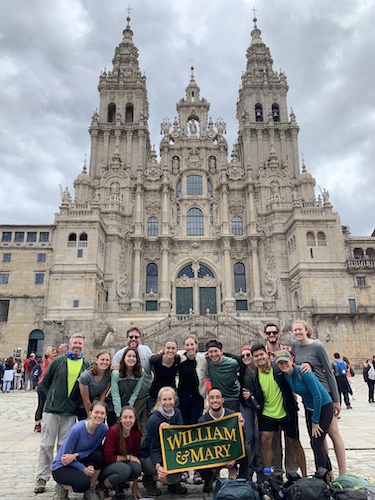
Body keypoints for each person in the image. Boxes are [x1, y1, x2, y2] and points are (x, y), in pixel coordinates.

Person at [34, 333, 91, 495]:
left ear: (83, 346)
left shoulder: (86, 365)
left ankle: (62, 478)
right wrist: (53, 397)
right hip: (52, 409)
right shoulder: (58, 361)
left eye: (80, 343)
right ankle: (42, 476)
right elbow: (46, 383)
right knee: (46, 444)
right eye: (75, 343)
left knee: (64, 447)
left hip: (70, 411)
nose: (77, 345)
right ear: (70, 344)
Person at [292, 320, 347, 475]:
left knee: (333, 432)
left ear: (306, 330)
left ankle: (343, 473)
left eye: (299, 330)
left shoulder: (317, 346)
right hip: (310, 395)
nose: (297, 333)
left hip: (324, 393)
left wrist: (336, 400)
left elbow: (329, 372)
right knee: (319, 436)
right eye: (295, 330)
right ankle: (327, 473)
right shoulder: (294, 346)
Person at [247, 344, 307, 478]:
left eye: (261, 354)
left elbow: (293, 371)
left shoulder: (278, 368)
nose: (259, 358)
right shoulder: (254, 376)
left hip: (286, 411)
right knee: (265, 442)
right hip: (267, 413)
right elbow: (254, 396)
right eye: (256, 356)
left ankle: (304, 475)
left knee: (295, 442)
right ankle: (269, 475)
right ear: (253, 359)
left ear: (267, 354)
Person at [275, 350, 335, 479]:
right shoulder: (285, 375)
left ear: (291, 360)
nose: (283, 365)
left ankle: (321, 476)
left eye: (285, 361)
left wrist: (315, 421)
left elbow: (317, 396)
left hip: (323, 406)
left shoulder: (303, 372)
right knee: (315, 442)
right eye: (280, 363)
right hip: (308, 408)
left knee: (316, 442)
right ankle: (329, 474)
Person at [51, 400, 108, 500]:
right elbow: (65, 458)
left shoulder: (103, 429)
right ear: (90, 414)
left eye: (102, 413)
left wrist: (77, 455)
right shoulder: (76, 430)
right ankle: (62, 486)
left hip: (78, 459)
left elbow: (92, 450)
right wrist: (83, 469)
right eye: (96, 412)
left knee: (98, 456)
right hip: (62, 466)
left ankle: (91, 488)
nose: (99, 415)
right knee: (82, 484)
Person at [262, 322, 298, 479]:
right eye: (268, 333)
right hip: (271, 402)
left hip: (289, 400)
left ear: (278, 333)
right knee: (275, 441)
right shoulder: (261, 353)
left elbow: (297, 368)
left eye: (274, 332)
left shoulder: (288, 351)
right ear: (265, 334)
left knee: (292, 439)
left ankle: (292, 471)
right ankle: (277, 472)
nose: (271, 335)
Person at [140, 386, 187, 496]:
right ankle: (149, 478)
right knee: (165, 474)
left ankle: (173, 484)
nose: (167, 403)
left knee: (176, 475)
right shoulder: (153, 419)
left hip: (169, 452)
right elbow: (153, 448)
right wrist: (158, 466)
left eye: (170, 399)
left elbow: (180, 437)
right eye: (164, 400)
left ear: (174, 400)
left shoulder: (177, 413)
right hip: (150, 454)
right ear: (159, 401)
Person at [198, 388, 245, 493]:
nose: (215, 400)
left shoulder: (232, 416)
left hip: (230, 453)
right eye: (212, 398)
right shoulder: (202, 421)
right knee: (196, 454)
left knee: (247, 449)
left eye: (218, 397)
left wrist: (234, 458)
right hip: (212, 456)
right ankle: (209, 478)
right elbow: (202, 446)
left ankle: (243, 479)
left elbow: (241, 440)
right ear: (208, 401)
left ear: (223, 400)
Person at [177, 334, 207, 484]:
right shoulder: (179, 357)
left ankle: (196, 470)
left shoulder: (203, 359)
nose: (189, 347)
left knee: (195, 432)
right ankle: (183, 468)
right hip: (181, 398)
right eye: (187, 345)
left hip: (197, 398)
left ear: (196, 345)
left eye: (192, 345)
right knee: (183, 432)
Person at [112, 327, 153, 436]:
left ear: (140, 339)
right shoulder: (118, 355)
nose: (133, 339)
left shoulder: (147, 350)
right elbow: (114, 379)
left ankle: (142, 451)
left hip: (144, 397)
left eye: (136, 337)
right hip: (127, 399)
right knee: (131, 427)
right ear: (126, 339)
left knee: (145, 426)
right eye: (131, 337)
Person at [99, 406, 142, 500]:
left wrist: (135, 485)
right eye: (125, 417)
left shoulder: (136, 432)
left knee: (137, 468)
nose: (128, 420)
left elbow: (137, 456)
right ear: (120, 419)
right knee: (124, 469)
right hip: (107, 466)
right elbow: (109, 458)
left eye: (131, 417)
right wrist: (128, 457)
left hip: (121, 463)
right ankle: (101, 487)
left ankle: (119, 485)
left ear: (135, 419)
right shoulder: (113, 431)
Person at [238, 346, 263, 482]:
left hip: (259, 407)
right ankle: (248, 470)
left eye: (248, 355)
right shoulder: (242, 368)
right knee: (249, 437)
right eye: (243, 356)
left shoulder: (261, 370)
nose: (246, 357)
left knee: (259, 437)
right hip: (246, 406)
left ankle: (260, 470)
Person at [110, 347, 144, 426]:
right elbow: (115, 395)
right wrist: (119, 415)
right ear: (124, 358)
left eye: (134, 356)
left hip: (128, 404)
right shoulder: (116, 374)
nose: (131, 358)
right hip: (113, 405)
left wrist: (128, 408)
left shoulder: (141, 372)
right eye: (129, 356)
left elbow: (135, 392)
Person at [206, 339, 240, 411]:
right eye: (211, 352)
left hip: (233, 397)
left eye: (216, 351)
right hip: (217, 398)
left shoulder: (232, 363)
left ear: (221, 351)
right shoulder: (208, 361)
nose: (214, 354)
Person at [148, 338, 180, 413]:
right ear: (164, 349)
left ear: (176, 350)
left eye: (173, 348)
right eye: (168, 348)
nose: (170, 350)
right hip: (155, 394)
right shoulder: (155, 360)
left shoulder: (178, 359)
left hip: (170, 395)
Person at [78, 350, 111, 420]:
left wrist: (99, 412)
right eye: (102, 359)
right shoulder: (85, 377)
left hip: (98, 405)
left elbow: (103, 396)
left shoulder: (108, 376)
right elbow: (85, 399)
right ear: (96, 360)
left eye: (107, 360)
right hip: (84, 407)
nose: (105, 362)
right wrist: (91, 416)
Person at [34, 347, 58, 432]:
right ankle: (44, 424)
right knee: (45, 405)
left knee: (40, 404)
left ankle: (37, 424)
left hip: (40, 385)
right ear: (49, 353)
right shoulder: (51, 362)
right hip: (45, 386)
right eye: (53, 353)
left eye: (56, 353)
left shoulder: (44, 361)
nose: (55, 354)